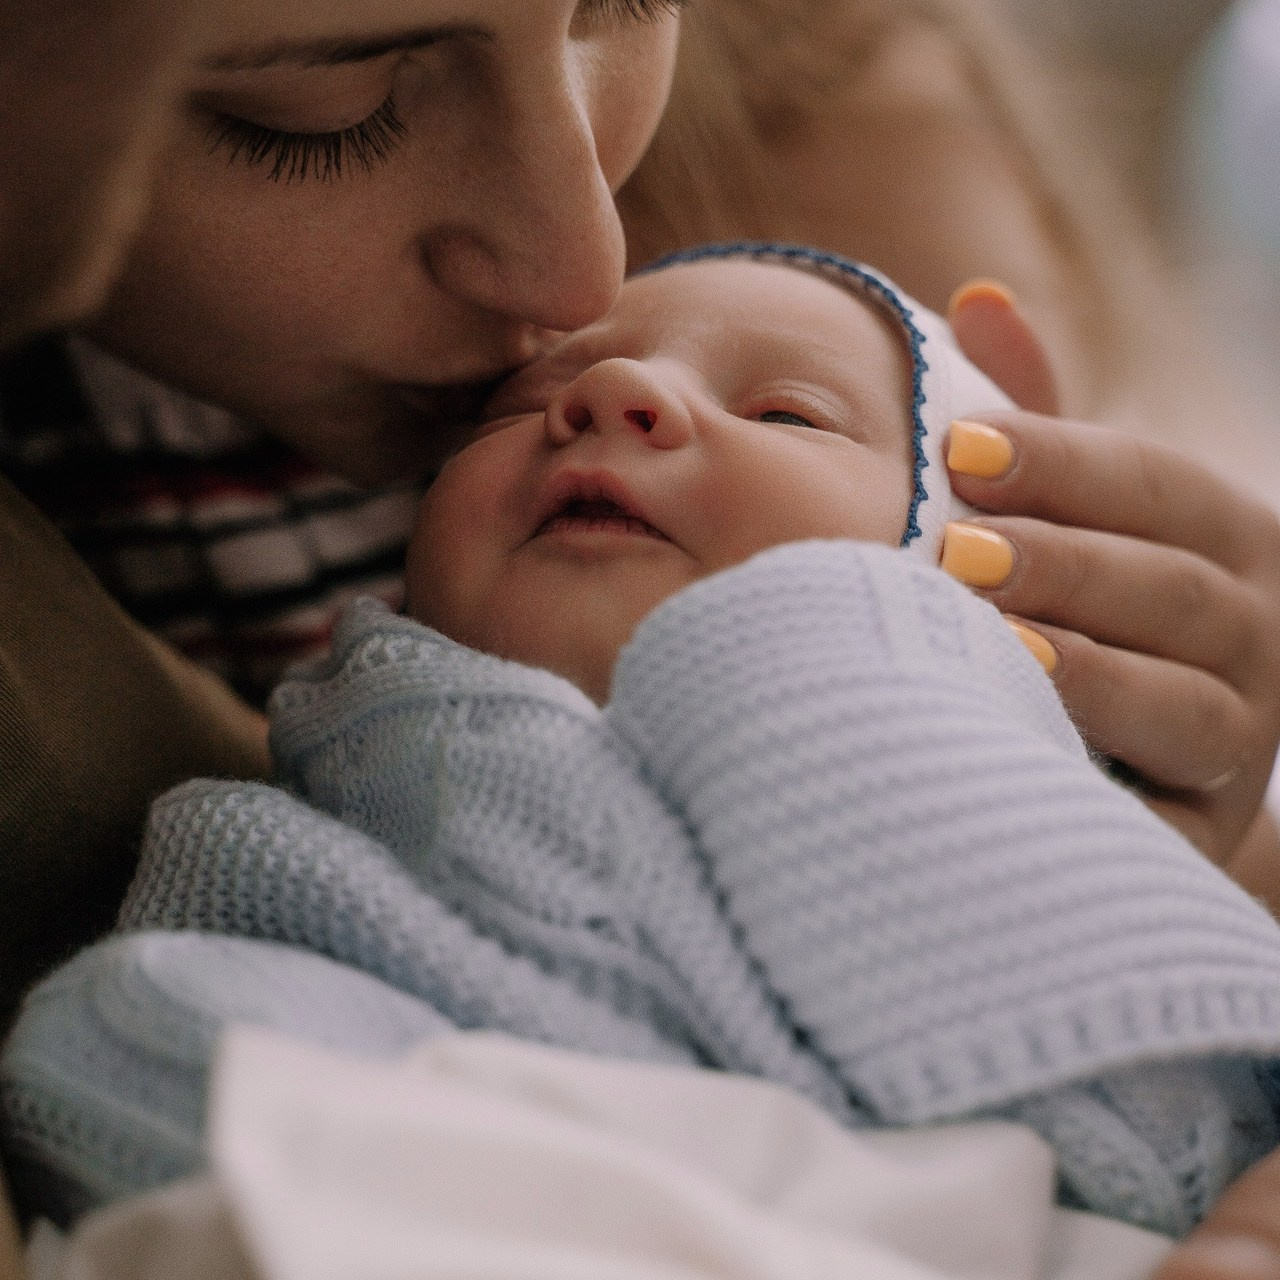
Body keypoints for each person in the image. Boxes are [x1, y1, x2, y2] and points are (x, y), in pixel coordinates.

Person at [5, 0, 1280, 1276]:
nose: (596, 346)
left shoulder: (848, 120)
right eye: (320, 109)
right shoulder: (336, 800)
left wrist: (1127, 795)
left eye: (787, 414)